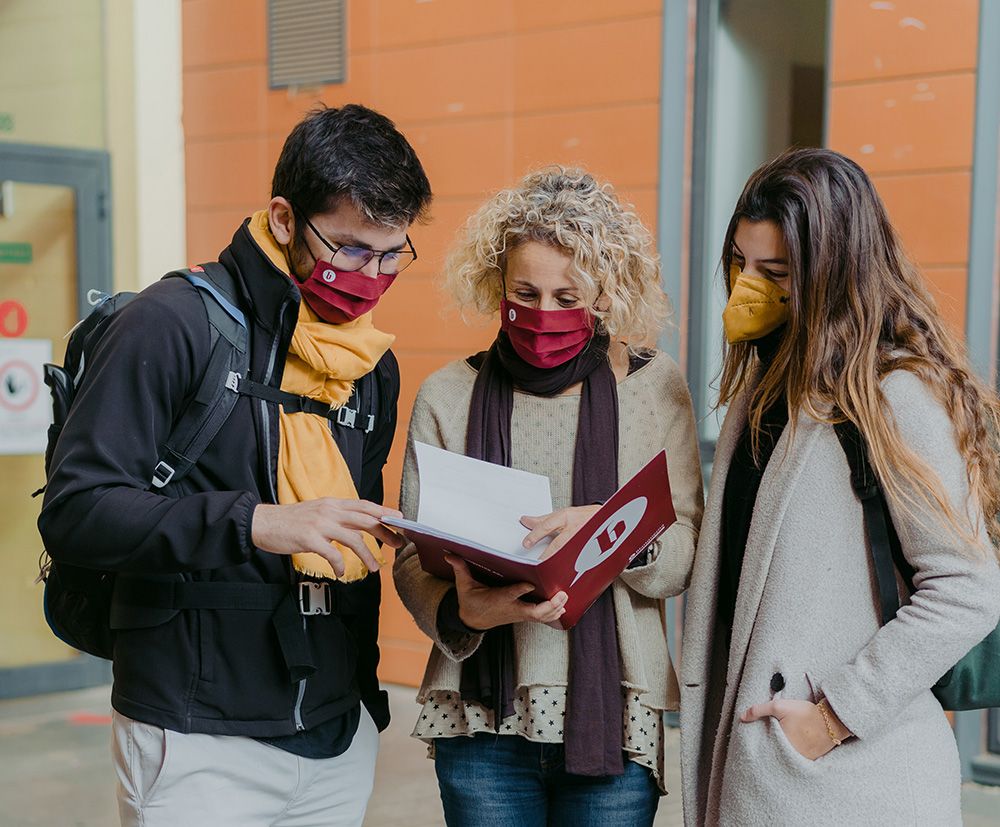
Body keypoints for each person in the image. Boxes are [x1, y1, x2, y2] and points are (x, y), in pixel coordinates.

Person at [38, 104, 432, 826]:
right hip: (195, 736)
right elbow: (77, 509)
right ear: (284, 218)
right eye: (348, 248)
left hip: (336, 734)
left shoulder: (371, 365)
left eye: (391, 254)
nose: (370, 276)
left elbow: (354, 543)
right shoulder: (171, 322)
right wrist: (254, 521)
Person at [679, 147, 1000, 826]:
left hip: (847, 779)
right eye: (740, 262)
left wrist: (832, 718)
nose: (748, 286)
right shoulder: (766, 387)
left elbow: (968, 589)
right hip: (761, 765)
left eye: (777, 272)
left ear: (834, 273)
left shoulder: (896, 395)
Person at [393, 167, 704, 827]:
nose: (545, 315)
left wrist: (609, 528)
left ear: (606, 292)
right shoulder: (448, 394)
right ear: (496, 286)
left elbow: (682, 555)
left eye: (569, 296)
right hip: (480, 721)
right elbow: (413, 559)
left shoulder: (654, 388)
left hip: (615, 714)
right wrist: (464, 609)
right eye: (525, 292)